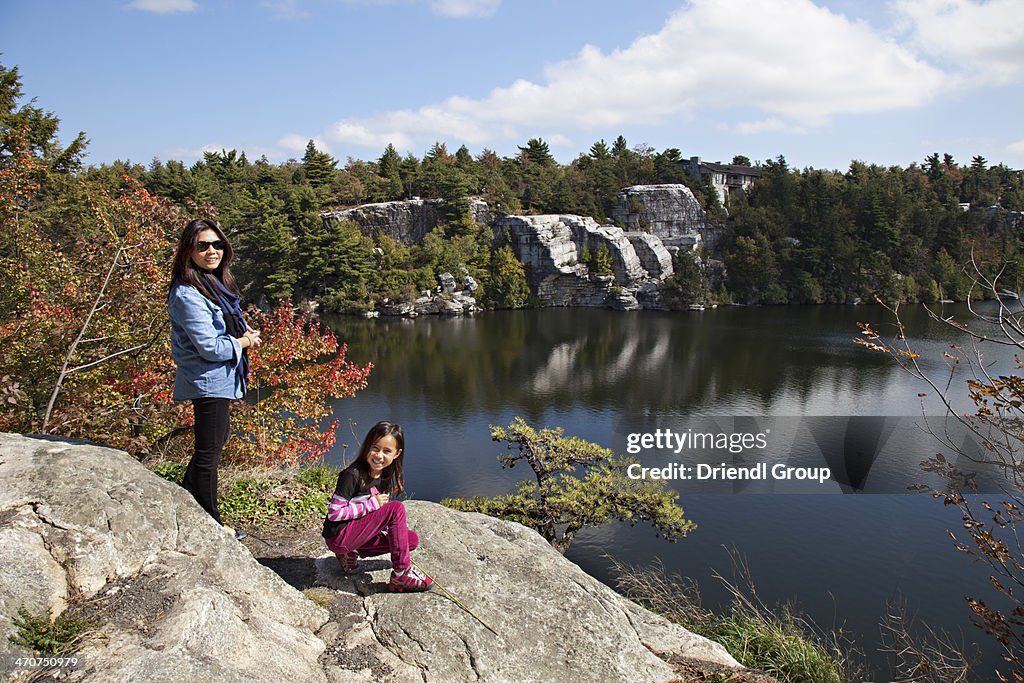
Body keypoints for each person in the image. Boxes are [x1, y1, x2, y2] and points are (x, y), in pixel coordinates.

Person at [168, 218, 261, 539]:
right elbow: (209, 347)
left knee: (213, 444)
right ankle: (211, 522)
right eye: (203, 246)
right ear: (188, 251)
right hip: (207, 380)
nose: (212, 251)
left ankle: (188, 500)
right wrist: (244, 342)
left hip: (219, 379)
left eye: (217, 244)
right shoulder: (187, 294)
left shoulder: (211, 283)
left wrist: (240, 331)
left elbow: (222, 325)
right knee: (209, 452)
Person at [322, 421, 433, 592]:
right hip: (339, 536)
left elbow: (376, 514)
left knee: (410, 540)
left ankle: (350, 554)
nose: (379, 455)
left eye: (387, 451)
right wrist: (371, 505)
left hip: (357, 534)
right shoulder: (353, 475)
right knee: (396, 508)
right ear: (367, 447)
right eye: (375, 448)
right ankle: (401, 573)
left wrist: (385, 527)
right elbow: (334, 514)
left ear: (397, 454)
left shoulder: (384, 476)